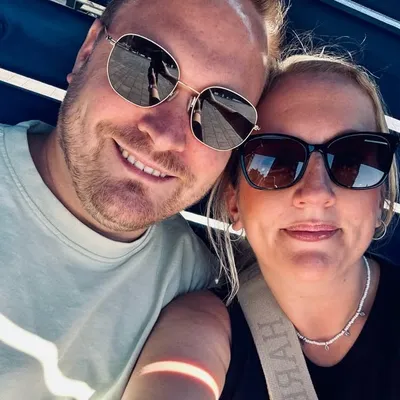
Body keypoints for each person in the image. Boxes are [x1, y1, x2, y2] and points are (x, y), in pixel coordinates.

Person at [0, 0, 287, 398]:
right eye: (146, 67)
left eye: (222, 113)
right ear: (87, 53)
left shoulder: (197, 293)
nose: (165, 135)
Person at [129, 52, 400, 400]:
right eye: (274, 161)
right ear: (234, 202)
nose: (315, 194)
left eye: (353, 161)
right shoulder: (200, 329)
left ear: (380, 198)